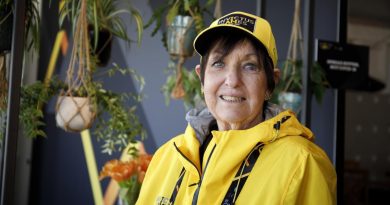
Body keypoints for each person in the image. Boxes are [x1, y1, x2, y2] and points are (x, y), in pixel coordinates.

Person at [137, 11, 336, 205]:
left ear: (270, 83)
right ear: (201, 79)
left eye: (250, 66)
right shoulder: (167, 157)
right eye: (218, 63)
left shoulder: (302, 164)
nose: (232, 81)